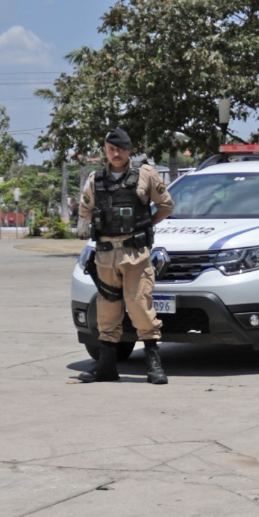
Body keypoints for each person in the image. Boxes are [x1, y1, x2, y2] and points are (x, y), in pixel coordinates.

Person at [76, 128, 174, 384]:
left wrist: (146, 225)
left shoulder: (145, 175)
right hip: (105, 255)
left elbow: (166, 205)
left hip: (136, 254)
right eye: (110, 149)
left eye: (119, 149)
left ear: (129, 150)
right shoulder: (95, 180)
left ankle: (153, 365)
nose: (115, 153)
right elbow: (85, 211)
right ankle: (106, 367)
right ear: (105, 151)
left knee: (140, 306)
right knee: (107, 312)